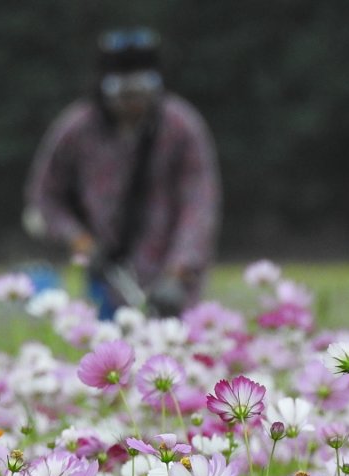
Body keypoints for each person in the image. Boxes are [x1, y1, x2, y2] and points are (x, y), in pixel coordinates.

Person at [23, 27, 222, 319]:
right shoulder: (77, 130)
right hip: (105, 279)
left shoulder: (182, 128)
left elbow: (199, 207)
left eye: (142, 90)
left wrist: (177, 274)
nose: (133, 103)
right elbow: (44, 197)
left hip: (171, 284)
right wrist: (82, 243)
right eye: (123, 93)